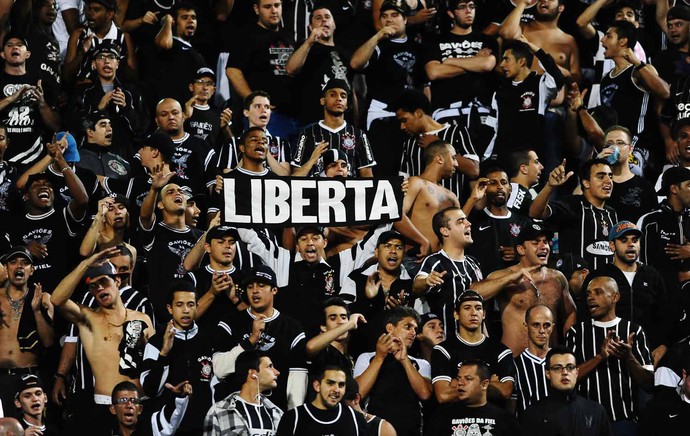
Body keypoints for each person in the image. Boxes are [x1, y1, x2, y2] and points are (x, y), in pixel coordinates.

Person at [50, 250, 155, 435]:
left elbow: (156, 365)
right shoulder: (88, 320)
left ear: (117, 281)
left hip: (139, 404)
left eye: (104, 282)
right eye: (93, 286)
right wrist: (85, 265)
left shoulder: (143, 319)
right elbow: (57, 299)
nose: (99, 289)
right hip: (105, 406)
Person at [212, 265, 308, 411]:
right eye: (250, 287)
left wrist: (292, 416)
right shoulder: (230, 323)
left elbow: (297, 380)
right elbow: (219, 369)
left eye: (261, 286)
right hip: (234, 410)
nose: (255, 291)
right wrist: (251, 340)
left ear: (274, 290)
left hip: (275, 411)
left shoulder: (292, 328)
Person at [565, 276, 654, 434]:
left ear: (615, 297)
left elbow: (648, 382)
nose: (591, 297)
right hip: (586, 422)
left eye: (598, 292)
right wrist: (600, 357)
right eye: (588, 294)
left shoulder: (634, 331)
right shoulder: (576, 333)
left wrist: (628, 358)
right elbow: (567, 380)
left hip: (624, 421)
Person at [350, 0, 424, 176]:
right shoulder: (377, 47)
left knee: (411, 172)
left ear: (405, 19)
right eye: (384, 16)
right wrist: (377, 37)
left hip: (412, 120)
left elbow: (424, 85)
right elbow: (355, 63)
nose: (389, 20)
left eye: (394, 15)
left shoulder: (417, 48)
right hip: (383, 117)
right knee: (384, 171)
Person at [481, 221, 576, 355]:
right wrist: (510, 279)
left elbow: (570, 313)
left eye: (546, 241)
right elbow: (475, 294)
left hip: (548, 363)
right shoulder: (504, 276)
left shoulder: (557, 278)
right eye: (536, 242)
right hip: (513, 361)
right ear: (521, 249)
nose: (544, 247)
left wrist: (569, 346)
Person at [582, 221, 670, 363]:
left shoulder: (652, 276)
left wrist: (663, 345)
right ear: (612, 246)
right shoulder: (599, 277)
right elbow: (585, 315)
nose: (631, 245)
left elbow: (665, 316)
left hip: (646, 354)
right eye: (624, 240)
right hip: (608, 353)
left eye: (635, 241)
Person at [424, 0, 498, 156]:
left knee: (482, 160)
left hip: (481, 111)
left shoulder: (487, 40)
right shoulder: (436, 41)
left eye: (472, 6)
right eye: (462, 7)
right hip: (446, 110)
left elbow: (487, 65)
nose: (468, 11)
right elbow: (434, 72)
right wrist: (474, 62)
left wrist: (450, 61)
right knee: (448, 159)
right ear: (451, 13)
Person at [141, 280, 215, 436]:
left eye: (190, 304)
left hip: (203, 426)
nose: (186, 310)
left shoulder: (208, 340)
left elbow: (215, 385)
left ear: (197, 306)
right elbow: (150, 390)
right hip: (168, 427)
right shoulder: (156, 342)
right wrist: (164, 353)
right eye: (180, 305)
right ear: (170, 308)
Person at [138, 165, 203, 323]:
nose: (177, 193)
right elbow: (145, 216)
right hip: (163, 316)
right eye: (170, 192)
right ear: (160, 205)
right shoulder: (154, 232)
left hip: (196, 313)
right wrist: (154, 189)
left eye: (180, 191)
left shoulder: (201, 237)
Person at [354, 306, 431, 435]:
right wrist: (379, 357)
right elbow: (358, 393)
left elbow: (425, 394)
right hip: (375, 431)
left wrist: (404, 360)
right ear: (390, 328)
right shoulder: (367, 358)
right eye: (408, 327)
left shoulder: (421, 363)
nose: (413, 333)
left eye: (415, 329)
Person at [485, 36, 565, 161]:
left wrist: (536, 50)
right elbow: (492, 127)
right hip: (504, 158)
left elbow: (558, 79)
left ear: (521, 62)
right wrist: (484, 159)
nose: (502, 64)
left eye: (506, 59)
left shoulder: (540, 85)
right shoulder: (500, 91)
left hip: (531, 159)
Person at [226, 0, 297, 137]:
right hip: (264, 116)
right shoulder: (247, 36)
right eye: (267, 7)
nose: (274, 10)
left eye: (277, 5)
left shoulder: (288, 36)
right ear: (256, 9)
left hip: (291, 114)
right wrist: (254, 101)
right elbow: (232, 71)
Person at [530, 158, 617, 271]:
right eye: (601, 176)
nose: (608, 181)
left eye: (610, 176)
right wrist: (550, 186)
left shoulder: (612, 213)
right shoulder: (572, 205)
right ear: (586, 183)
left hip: (607, 283)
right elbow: (535, 213)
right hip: (577, 284)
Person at [430, 290, 514, 405]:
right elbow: (443, 395)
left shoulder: (501, 351)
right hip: (456, 419)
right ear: (456, 314)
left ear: (484, 314)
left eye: (478, 308)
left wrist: (459, 385)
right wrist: (487, 384)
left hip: (489, 419)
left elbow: (505, 391)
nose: (473, 313)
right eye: (467, 308)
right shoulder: (443, 350)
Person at [395, 89, 480, 201]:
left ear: (418, 113)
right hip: (420, 212)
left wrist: (439, 146)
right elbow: (404, 181)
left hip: (451, 210)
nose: (402, 127)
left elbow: (474, 170)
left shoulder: (457, 132)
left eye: (404, 120)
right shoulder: (409, 143)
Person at [598, 19, 669, 151]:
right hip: (611, 144)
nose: (602, 40)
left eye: (608, 36)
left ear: (622, 41)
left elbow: (665, 92)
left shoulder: (639, 70)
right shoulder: (605, 78)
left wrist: (637, 62)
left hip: (636, 145)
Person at [70, 39, 147, 158]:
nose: (106, 61)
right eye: (101, 57)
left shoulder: (131, 92)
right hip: (92, 157)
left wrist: (125, 108)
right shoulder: (83, 93)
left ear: (118, 63)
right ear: (94, 64)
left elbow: (141, 130)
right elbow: (79, 128)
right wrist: (97, 110)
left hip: (124, 156)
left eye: (111, 57)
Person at [0, 247, 53, 417]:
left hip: (29, 377)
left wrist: (36, 311)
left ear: (32, 270)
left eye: (24, 263)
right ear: (6, 268)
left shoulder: (43, 298)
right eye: (13, 262)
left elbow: (49, 342)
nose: (19, 267)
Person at [413, 207, 483, 330]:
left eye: (466, 220)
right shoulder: (435, 261)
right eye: (461, 221)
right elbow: (417, 286)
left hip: (476, 340)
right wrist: (427, 281)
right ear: (445, 231)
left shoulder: (474, 263)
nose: (469, 223)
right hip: (448, 340)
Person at [291, 79, 376, 178]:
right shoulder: (307, 133)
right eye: (333, 95)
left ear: (347, 104)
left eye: (343, 96)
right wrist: (312, 160)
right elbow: (294, 179)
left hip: (348, 192)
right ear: (322, 100)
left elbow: (367, 176)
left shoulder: (358, 135)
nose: (339, 99)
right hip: (317, 192)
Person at [520, 346, 612, 435]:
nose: (565, 372)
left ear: (576, 372)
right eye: (557, 368)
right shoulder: (533, 414)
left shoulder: (596, 411)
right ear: (547, 373)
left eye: (570, 367)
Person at [0, 31, 60, 168]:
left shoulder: (40, 82)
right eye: (9, 45)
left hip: (33, 159)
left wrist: (42, 103)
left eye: (20, 45)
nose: (15, 47)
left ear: (28, 54)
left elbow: (55, 126)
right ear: (2, 54)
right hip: (2, 159)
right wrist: (12, 98)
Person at [287, 5, 352, 126]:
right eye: (318, 18)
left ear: (334, 24)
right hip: (313, 120)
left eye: (327, 17)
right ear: (310, 27)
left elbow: (352, 89)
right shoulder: (305, 47)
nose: (323, 20)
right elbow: (291, 69)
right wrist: (309, 41)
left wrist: (356, 122)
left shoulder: (345, 53)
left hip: (343, 121)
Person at [464, 164, 532, 275]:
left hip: (516, 286)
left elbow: (537, 251)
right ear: (485, 189)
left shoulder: (523, 222)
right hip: (483, 284)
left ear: (510, 189)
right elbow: (455, 228)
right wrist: (473, 198)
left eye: (504, 182)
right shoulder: (475, 220)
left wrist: (521, 254)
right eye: (493, 183)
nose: (500, 186)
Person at [638, 166, 690, 307]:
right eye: (689, 185)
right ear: (674, 189)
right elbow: (644, 265)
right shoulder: (650, 221)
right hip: (661, 300)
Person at [426, 360, 519, 435]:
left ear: (484, 384)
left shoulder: (504, 419)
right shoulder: (441, 417)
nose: (460, 383)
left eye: (468, 379)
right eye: (459, 378)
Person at [203, 350, 283, 436]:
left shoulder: (277, 413)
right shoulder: (219, 411)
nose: (277, 372)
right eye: (270, 366)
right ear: (253, 373)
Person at [402, 140, 460, 254]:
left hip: (442, 260)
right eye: (453, 158)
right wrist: (423, 241)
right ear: (439, 159)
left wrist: (473, 198)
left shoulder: (451, 196)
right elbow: (397, 215)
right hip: (416, 258)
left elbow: (460, 225)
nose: (457, 164)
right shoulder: (416, 183)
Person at [277, 366, 367, 435]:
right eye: (330, 383)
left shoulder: (356, 419)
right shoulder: (294, 418)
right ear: (317, 386)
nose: (336, 390)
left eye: (341, 385)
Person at [154, 98, 215, 194]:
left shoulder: (202, 146)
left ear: (183, 116)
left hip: (196, 204)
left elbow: (213, 183)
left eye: (175, 113)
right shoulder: (150, 146)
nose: (171, 117)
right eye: (164, 114)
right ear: (157, 121)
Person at [597, 125, 657, 222]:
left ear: (630, 149)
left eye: (620, 143)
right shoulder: (595, 183)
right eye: (609, 144)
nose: (614, 147)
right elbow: (578, 199)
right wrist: (596, 164)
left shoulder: (646, 188)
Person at [305, 297, 365, 377]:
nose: (340, 322)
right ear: (323, 327)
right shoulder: (322, 352)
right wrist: (350, 324)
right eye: (333, 318)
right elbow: (311, 347)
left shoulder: (352, 354)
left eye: (344, 317)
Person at [513, 304, 554, 415]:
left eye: (546, 325)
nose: (541, 331)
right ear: (526, 327)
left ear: (552, 327)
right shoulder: (515, 365)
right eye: (536, 325)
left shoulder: (562, 362)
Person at [76, 111, 131, 180]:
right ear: (90, 132)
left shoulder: (121, 161)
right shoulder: (77, 160)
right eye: (103, 125)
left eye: (110, 125)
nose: (109, 129)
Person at [506, 149, 543, 217]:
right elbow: (510, 220)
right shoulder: (516, 190)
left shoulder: (531, 191)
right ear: (524, 169)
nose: (541, 167)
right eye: (536, 162)